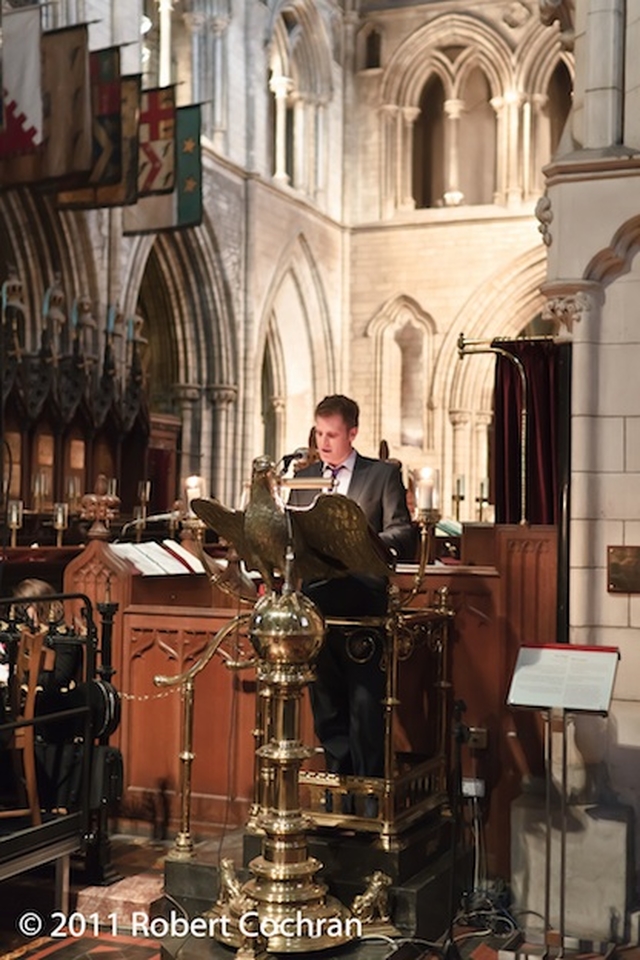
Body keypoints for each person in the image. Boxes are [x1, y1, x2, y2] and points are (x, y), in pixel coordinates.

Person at [288, 394, 416, 779]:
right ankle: (338, 795)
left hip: (363, 605)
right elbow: (293, 533)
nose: (324, 442)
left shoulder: (381, 475)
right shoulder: (304, 478)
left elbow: (403, 532)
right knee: (326, 709)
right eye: (319, 433)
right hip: (317, 606)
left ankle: (369, 800)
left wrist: (367, 542)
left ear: (353, 433)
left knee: (364, 708)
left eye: (332, 434)